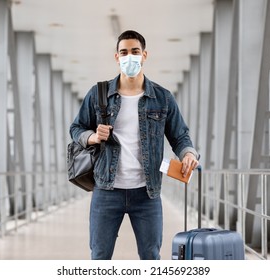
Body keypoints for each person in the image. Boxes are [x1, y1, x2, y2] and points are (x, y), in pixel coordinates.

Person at [70, 30, 199, 260]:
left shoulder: (162, 97)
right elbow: (76, 129)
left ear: (144, 55)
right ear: (117, 57)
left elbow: (180, 136)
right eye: (124, 52)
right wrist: (93, 137)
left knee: (151, 257)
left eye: (135, 52)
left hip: (147, 193)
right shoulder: (99, 94)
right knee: (99, 257)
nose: (130, 56)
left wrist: (188, 153)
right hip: (106, 190)